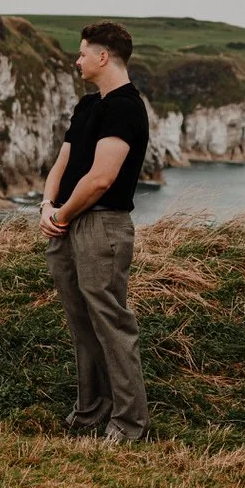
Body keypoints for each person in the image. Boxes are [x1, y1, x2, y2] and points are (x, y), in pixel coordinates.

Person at [39, 22, 152, 442]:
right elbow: (62, 165)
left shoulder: (126, 107)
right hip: (66, 222)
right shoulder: (87, 107)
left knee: (111, 323)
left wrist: (62, 214)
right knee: (81, 324)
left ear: (104, 56)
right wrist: (47, 206)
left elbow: (101, 178)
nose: (77, 59)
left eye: (83, 52)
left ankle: (128, 424)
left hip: (102, 224)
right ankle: (90, 413)